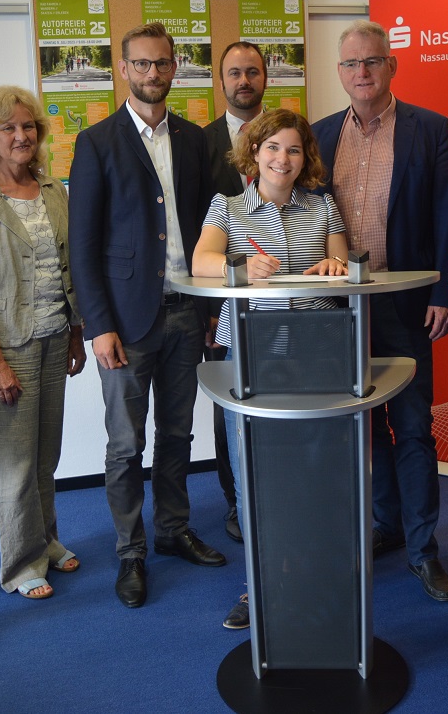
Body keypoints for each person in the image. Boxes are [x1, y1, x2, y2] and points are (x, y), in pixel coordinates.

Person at [69, 22, 224, 610]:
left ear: (174, 68)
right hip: (126, 323)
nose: (153, 73)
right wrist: (97, 324)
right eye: (142, 64)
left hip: (187, 311)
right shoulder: (97, 142)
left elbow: (212, 229)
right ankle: (130, 551)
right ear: (123, 68)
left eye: (162, 64)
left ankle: (173, 529)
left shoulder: (192, 140)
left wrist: (211, 307)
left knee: (177, 434)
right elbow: (83, 247)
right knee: (125, 444)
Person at [313, 21, 448, 603]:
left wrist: (444, 294)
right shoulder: (321, 135)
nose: (362, 73)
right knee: (365, 427)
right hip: (340, 311)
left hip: (404, 306)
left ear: (392, 66)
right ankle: (388, 527)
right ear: (340, 73)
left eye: (372, 61)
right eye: (351, 65)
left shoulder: (429, 129)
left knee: (414, 428)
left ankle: (425, 552)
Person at [191, 108, 349, 629]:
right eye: (273, 147)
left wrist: (333, 265)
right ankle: (260, 584)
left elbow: (341, 262)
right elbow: (202, 262)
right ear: (254, 153)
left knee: (311, 470)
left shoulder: (323, 207)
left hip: (316, 351)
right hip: (253, 354)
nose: (283, 158)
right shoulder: (228, 206)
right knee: (254, 470)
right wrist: (239, 267)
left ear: (306, 159)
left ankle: (308, 576)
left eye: (294, 150)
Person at [0, 86, 87, 601]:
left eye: (28, 127)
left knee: (45, 456)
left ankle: (45, 541)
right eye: (9, 128)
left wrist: (75, 332)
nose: (21, 136)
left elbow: (68, 269)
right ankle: (20, 564)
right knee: (14, 463)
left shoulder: (53, 190)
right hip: (5, 351)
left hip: (53, 338)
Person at [203, 41, 269, 544]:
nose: (243, 81)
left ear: (265, 78)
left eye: (252, 72)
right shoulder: (198, 143)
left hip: (286, 304)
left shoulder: (289, 135)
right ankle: (235, 502)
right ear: (220, 80)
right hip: (222, 302)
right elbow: (193, 227)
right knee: (230, 404)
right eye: (234, 73)